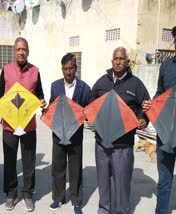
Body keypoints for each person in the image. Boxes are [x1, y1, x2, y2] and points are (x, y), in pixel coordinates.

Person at [88, 47, 150, 214]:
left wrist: (144, 118)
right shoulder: (102, 82)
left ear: (127, 62)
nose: (118, 61)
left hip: (123, 145)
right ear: (111, 61)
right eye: (115, 58)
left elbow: (146, 106)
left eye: (121, 59)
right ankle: (104, 210)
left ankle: (121, 211)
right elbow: (90, 103)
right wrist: (91, 117)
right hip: (102, 143)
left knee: (121, 184)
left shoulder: (136, 84)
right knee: (103, 182)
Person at [0, 37, 46, 212]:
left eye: (24, 49)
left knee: (29, 162)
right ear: (14, 52)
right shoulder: (6, 70)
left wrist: (42, 102)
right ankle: (11, 193)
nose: (21, 52)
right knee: (9, 160)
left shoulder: (35, 71)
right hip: (9, 124)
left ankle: (28, 194)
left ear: (28, 51)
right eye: (18, 49)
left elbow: (40, 95)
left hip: (28, 125)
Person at [48, 53, 90, 213]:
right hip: (58, 134)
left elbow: (88, 109)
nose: (68, 72)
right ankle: (58, 198)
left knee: (75, 169)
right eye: (65, 69)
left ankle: (76, 201)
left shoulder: (85, 88)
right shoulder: (55, 86)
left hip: (75, 136)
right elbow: (52, 106)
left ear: (76, 68)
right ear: (62, 69)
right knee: (58, 168)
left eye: (71, 68)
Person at [142, 26, 176, 214]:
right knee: (164, 180)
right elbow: (160, 93)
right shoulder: (166, 66)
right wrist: (151, 106)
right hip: (165, 132)